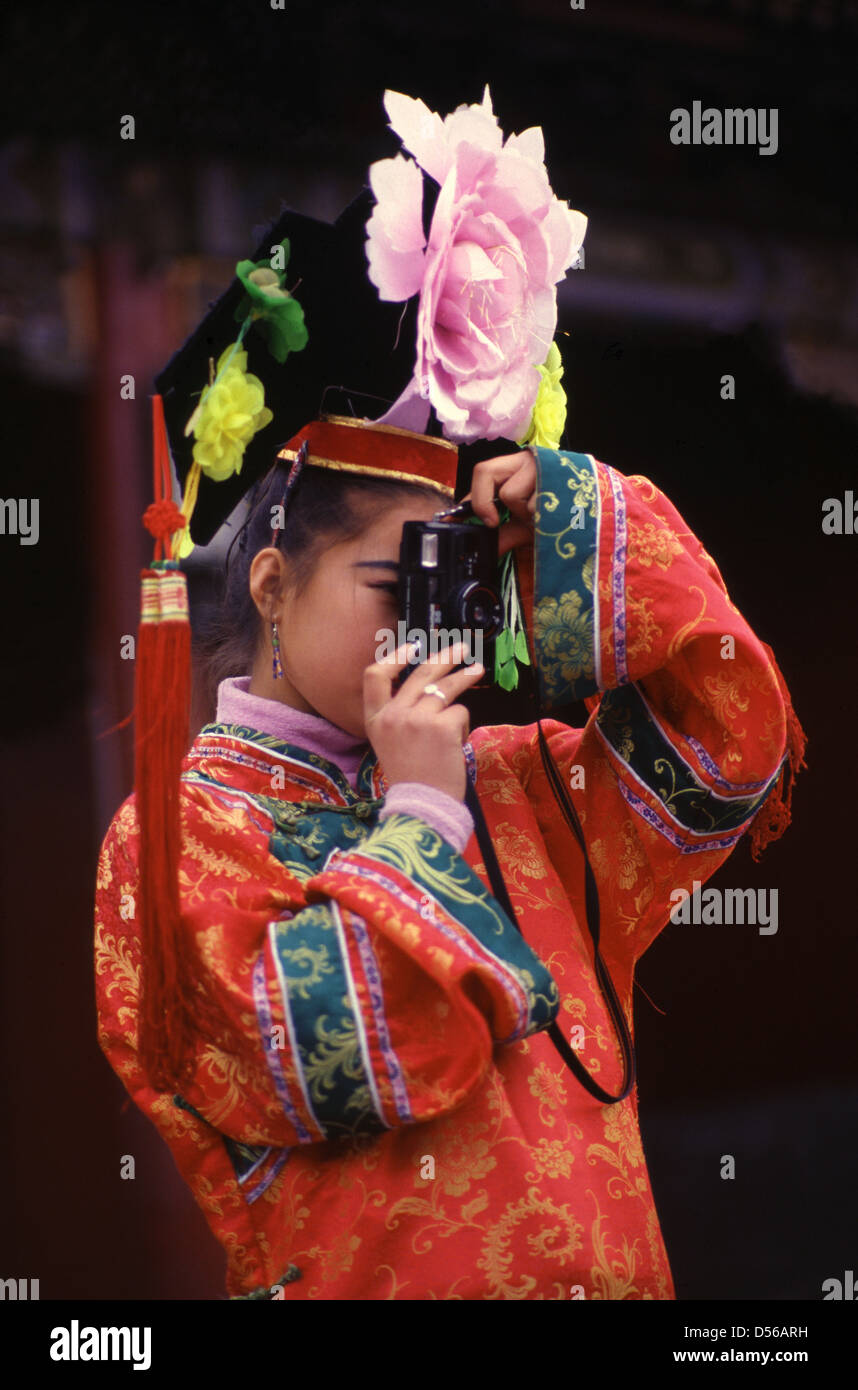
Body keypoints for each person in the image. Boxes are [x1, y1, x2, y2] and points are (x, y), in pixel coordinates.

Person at [93, 88, 806, 1300]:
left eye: (456, 572)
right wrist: (419, 816)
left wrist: (567, 515)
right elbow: (326, 1064)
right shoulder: (178, 844)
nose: (431, 615)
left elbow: (729, 741)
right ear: (271, 581)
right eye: (394, 577)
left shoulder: (519, 787)